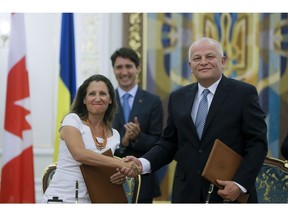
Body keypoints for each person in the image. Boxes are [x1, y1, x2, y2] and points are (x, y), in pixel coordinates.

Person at [122, 37, 268, 203]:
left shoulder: (244, 93)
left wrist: (239, 184)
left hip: (227, 193)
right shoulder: (177, 97)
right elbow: (168, 142)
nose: (203, 62)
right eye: (197, 58)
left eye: (210, 56)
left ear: (223, 61)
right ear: (190, 66)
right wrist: (143, 163)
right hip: (186, 193)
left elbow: (257, 143)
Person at [42, 74, 137, 203]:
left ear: (110, 100)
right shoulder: (72, 120)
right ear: (84, 99)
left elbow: (103, 167)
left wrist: (118, 175)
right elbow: (80, 154)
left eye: (103, 94)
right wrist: (120, 163)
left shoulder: (115, 135)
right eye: (92, 94)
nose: (97, 98)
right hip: (62, 199)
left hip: (95, 200)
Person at [110, 47, 163, 203]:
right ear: (113, 70)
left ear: (138, 68)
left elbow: (159, 143)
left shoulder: (153, 101)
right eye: (119, 67)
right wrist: (123, 141)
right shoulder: (105, 100)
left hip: (143, 181)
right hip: (111, 177)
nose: (124, 72)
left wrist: (138, 136)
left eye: (129, 66)